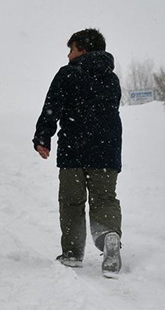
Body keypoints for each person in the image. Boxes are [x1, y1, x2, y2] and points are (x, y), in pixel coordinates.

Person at [32, 28, 123, 277]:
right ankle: (110, 237)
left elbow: (52, 108)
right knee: (104, 199)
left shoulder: (68, 74)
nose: (68, 55)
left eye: (71, 49)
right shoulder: (111, 77)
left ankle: (72, 253)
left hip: (74, 149)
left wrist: (42, 137)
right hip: (107, 151)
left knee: (72, 201)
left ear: (83, 49)